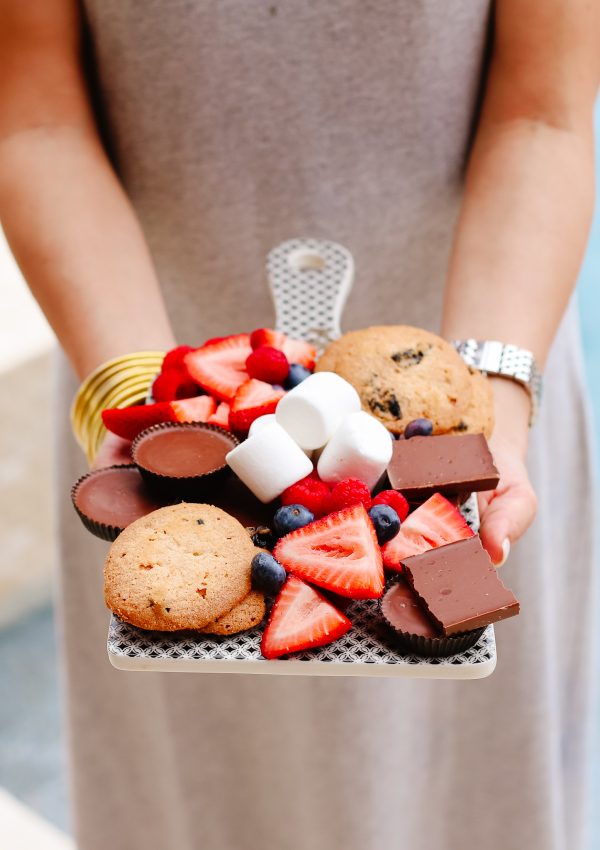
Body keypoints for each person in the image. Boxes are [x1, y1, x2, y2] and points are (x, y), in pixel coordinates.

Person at [1, 2, 598, 848]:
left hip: (478, 384)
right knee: (195, 792)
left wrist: (489, 400)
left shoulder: (477, 422)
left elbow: (544, 112)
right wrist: (142, 392)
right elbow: (34, 118)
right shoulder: (162, 430)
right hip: (161, 389)